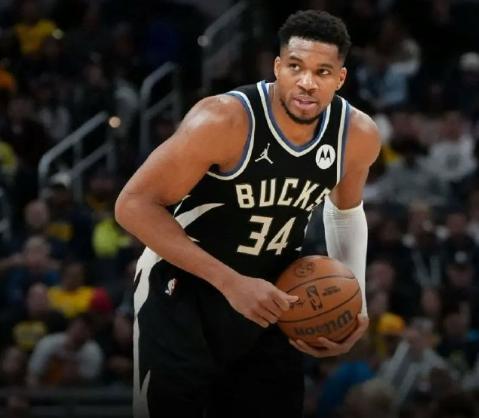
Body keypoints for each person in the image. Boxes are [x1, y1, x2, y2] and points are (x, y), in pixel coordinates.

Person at [115, 10, 380, 418]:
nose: (307, 82)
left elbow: (344, 212)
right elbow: (132, 205)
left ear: (340, 78)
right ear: (277, 67)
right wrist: (230, 282)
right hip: (183, 288)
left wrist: (353, 299)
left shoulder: (356, 134)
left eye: (322, 72)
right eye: (296, 67)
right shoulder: (223, 119)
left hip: (273, 293)